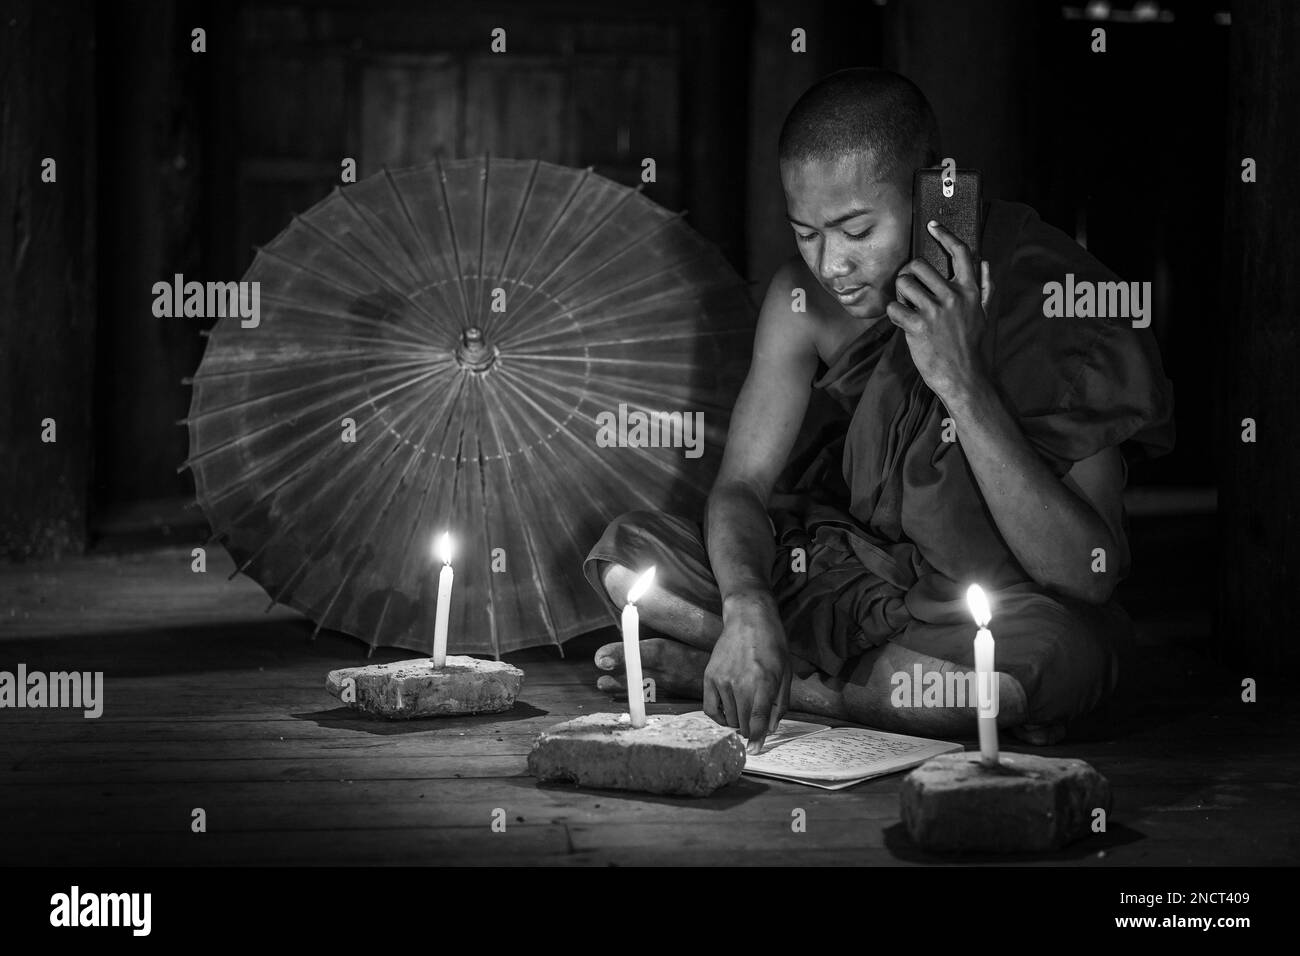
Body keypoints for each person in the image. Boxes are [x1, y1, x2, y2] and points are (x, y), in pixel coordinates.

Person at [583, 68, 1174, 753]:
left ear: (935, 191)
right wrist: (748, 607)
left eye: (856, 230)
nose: (832, 263)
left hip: (980, 607)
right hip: (844, 575)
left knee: (1053, 664)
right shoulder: (803, 301)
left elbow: (1088, 574)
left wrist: (961, 382)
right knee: (629, 557)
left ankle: (765, 680)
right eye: (806, 233)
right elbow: (741, 487)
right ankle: (766, 655)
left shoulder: (1051, 298)